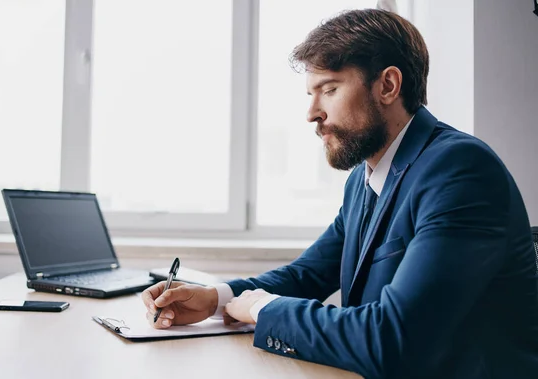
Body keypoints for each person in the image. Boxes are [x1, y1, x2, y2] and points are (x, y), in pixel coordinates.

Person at [141, 8, 538, 379]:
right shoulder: (364, 179)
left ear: (388, 85)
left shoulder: (460, 171)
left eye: (328, 89)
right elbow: (308, 274)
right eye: (311, 94)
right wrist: (215, 298)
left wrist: (262, 308)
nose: (312, 113)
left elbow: (394, 338)